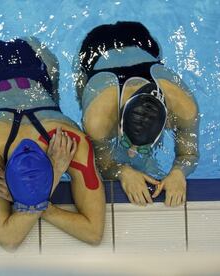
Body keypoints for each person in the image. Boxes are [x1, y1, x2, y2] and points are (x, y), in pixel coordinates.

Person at [0, 37, 105, 251]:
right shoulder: (70, 141)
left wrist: (30, 204)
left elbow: (93, 233)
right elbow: (8, 239)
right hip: (33, 59)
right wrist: (50, 179)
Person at [75, 22, 199, 207]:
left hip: (142, 45)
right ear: (118, 121)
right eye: (126, 140)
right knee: (81, 96)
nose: (132, 152)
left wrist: (178, 173)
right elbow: (103, 164)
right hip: (97, 54)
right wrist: (122, 171)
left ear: (168, 121)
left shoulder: (184, 107)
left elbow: (190, 154)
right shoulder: (98, 119)